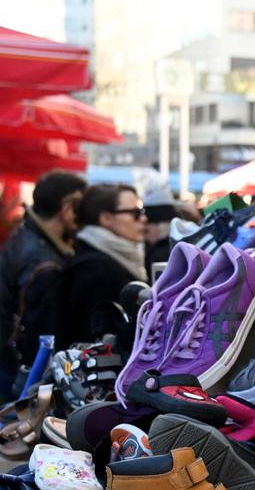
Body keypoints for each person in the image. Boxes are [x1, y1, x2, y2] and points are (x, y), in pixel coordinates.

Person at [0, 170, 85, 400]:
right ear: (67, 210)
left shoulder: (25, 233)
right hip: (16, 373)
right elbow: (42, 341)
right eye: (81, 208)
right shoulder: (44, 264)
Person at [59, 184, 149, 346]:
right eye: (135, 213)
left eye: (142, 212)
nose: (143, 219)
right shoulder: (96, 268)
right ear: (106, 218)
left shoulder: (109, 257)